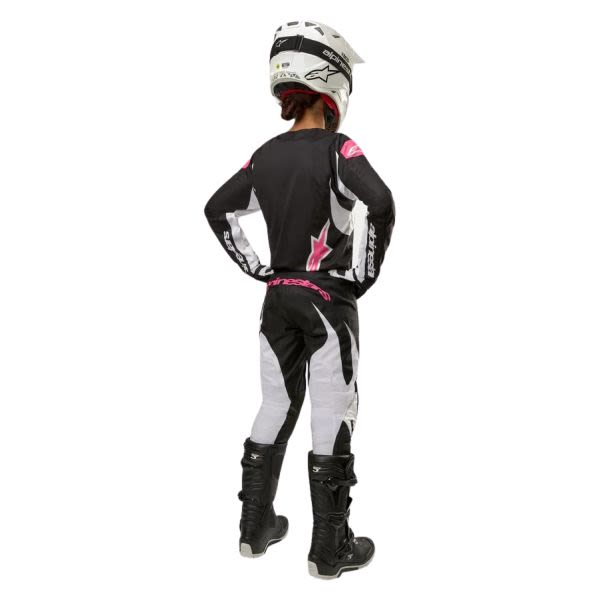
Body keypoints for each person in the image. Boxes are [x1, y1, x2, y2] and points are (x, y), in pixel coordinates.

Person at [204, 20, 396, 579]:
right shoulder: (339, 149)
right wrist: (364, 273)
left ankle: (254, 529)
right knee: (332, 411)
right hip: (328, 301)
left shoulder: (263, 155)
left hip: (277, 301)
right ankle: (329, 550)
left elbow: (217, 209)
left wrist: (258, 268)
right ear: (333, 84)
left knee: (274, 405)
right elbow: (381, 203)